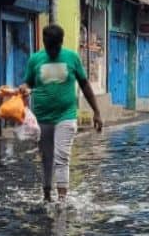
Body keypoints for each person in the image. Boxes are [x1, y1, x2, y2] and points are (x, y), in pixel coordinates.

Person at [17, 24, 103, 203]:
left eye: (55, 47)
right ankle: (47, 195)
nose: (52, 51)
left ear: (61, 43)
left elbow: (85, 84)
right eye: (49, 47)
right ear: (44, 43)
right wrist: (23, 88)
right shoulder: (35, 59)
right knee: (46, 157)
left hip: (66, 115)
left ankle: (62, 200)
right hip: (42, 117)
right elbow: (28, 83)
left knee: (62, 156)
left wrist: (96, 111)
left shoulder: (72, 58)